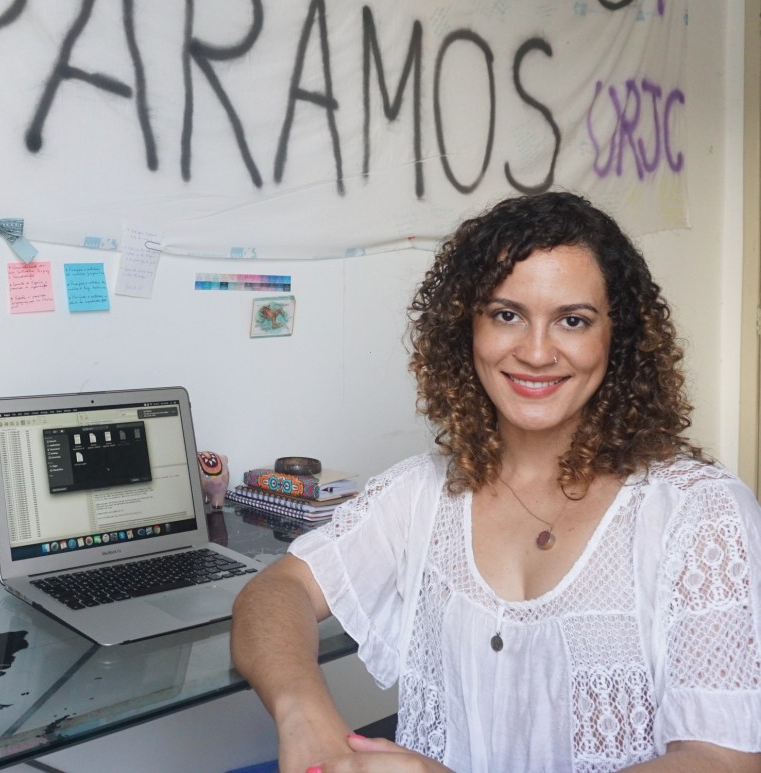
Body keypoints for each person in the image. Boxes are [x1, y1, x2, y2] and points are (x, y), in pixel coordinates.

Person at [230, 191, 761, 772]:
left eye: (573, 321)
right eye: (507, 314)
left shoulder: (699, 511)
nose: (535, 352)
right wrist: (307, 720)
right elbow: (275, 592)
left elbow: (721, 759)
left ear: (619, 337)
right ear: (468, 328)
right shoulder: (420, 493)